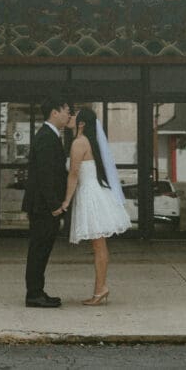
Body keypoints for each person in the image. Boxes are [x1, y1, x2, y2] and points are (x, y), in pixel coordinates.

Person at [54, 106, 131, 305]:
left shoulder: (79, 143)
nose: (70, 116)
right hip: (93, 193)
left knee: (98, 245)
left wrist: (66, 201)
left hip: (90, 196)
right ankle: (100, 288)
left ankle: (100, 289)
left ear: (81, 123)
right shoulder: (88, 141)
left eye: (74, 115)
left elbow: (73, 174)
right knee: (99, 245)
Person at [21, 93, 72, 308]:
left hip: (45, 205)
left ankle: (38, 291)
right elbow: (45, 174)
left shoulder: (50, 135)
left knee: (42, 250)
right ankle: (34, 294)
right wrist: (54, 205)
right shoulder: (46, 137)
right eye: (67, 111)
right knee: (39, 250)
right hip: (43, 206)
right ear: (55, 112)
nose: (69, 115)